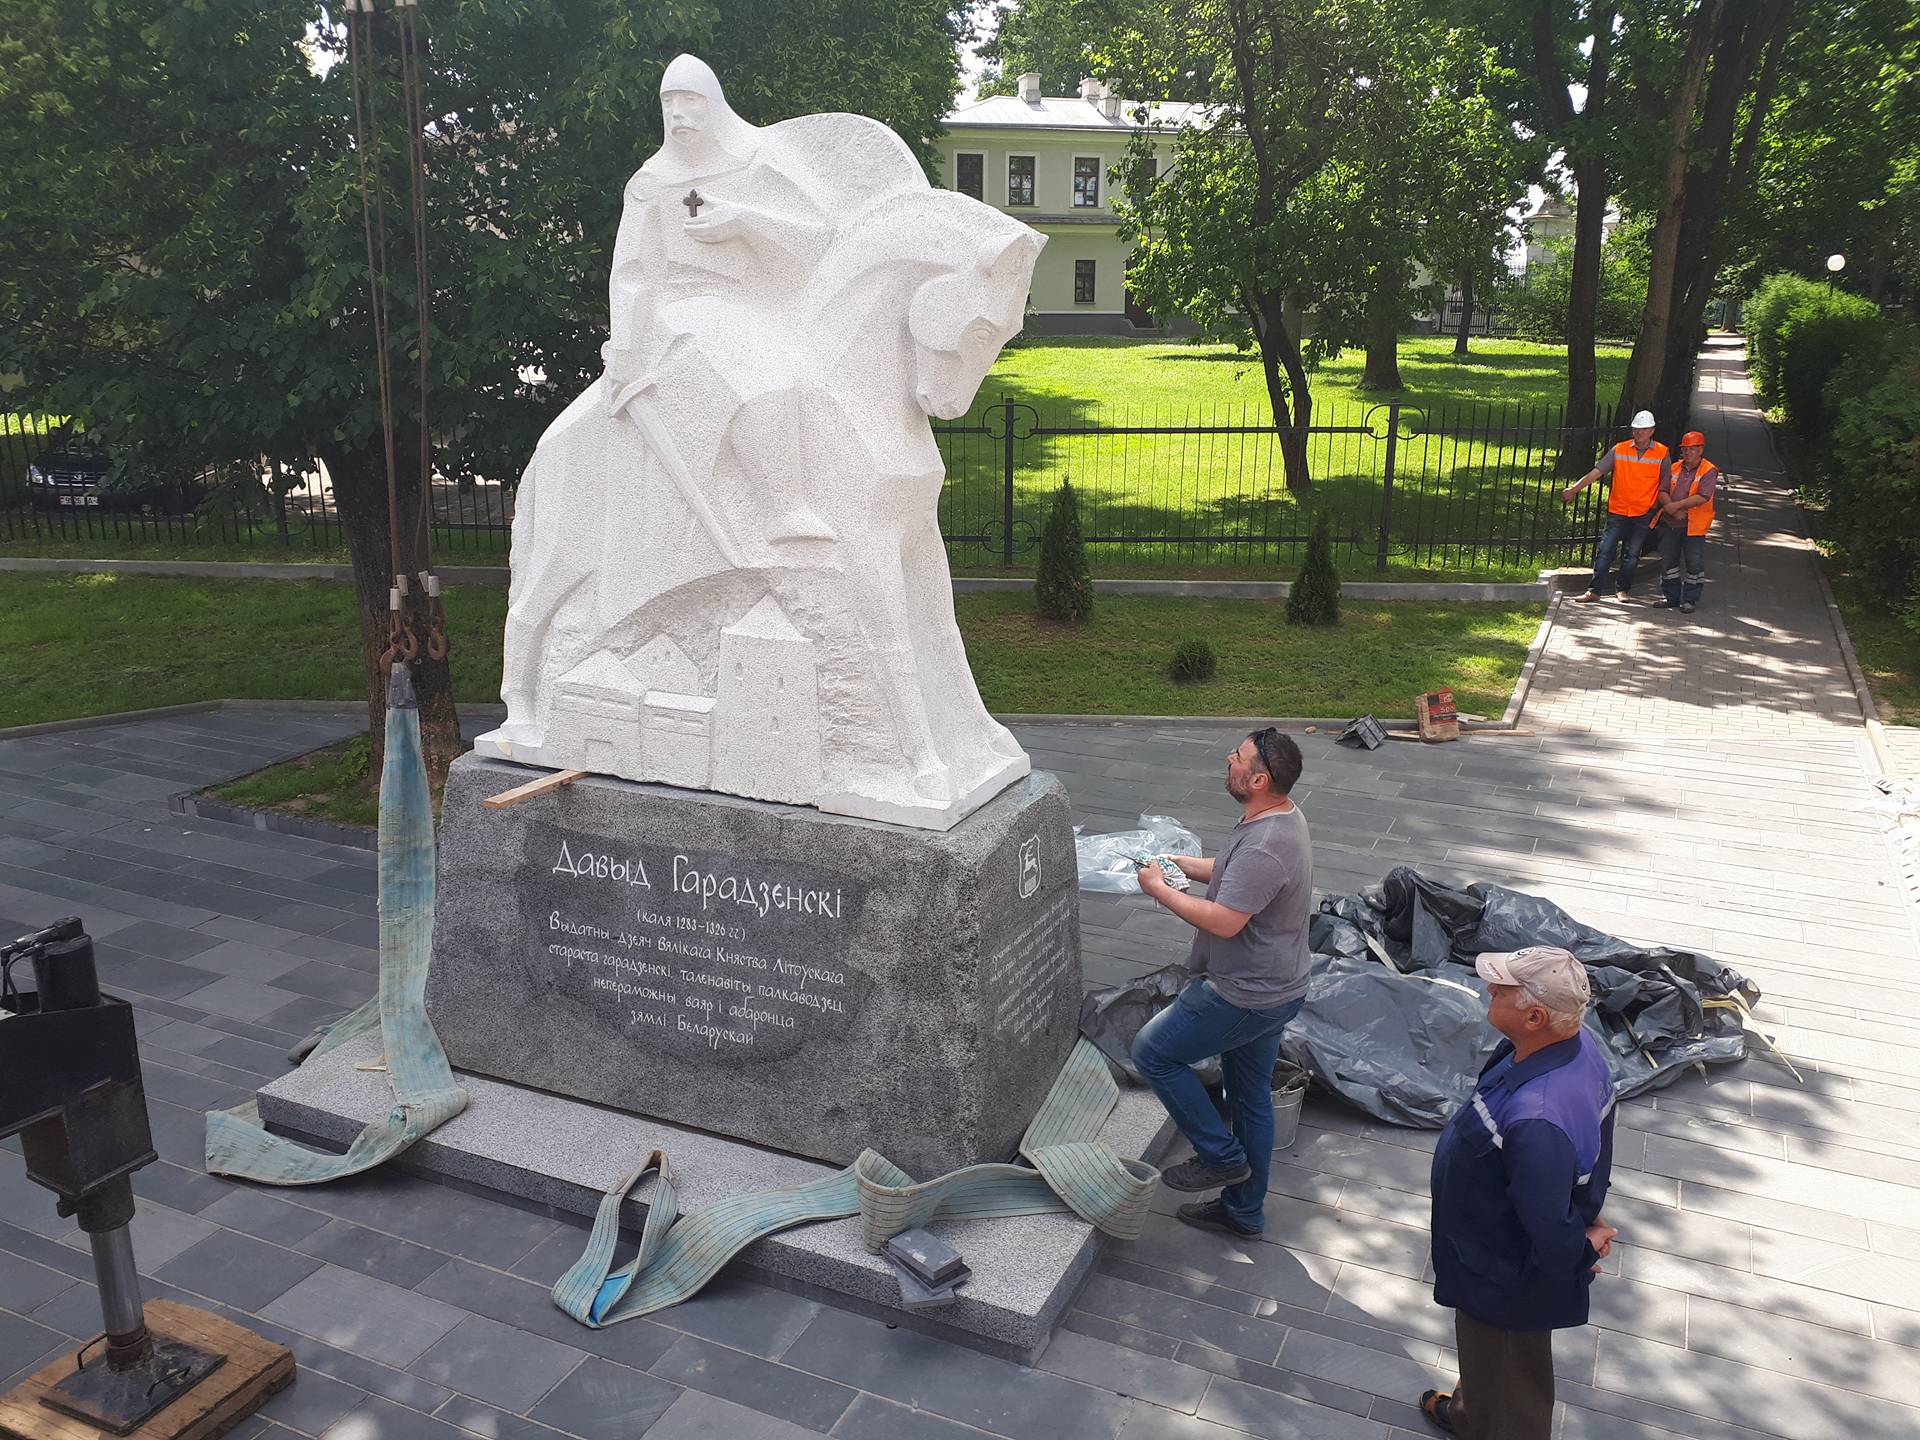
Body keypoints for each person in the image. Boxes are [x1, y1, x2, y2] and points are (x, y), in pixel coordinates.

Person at [1419, 947, 1619, 1440]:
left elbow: (1549, 1224)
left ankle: (1492, 1423)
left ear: (1534, 1016)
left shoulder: (1537, 1116)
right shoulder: (1567, 1046)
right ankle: (1473, 1411)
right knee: (1488, 1355)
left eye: (1500, 988)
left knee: (1508, 1366)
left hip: (1504, 1269)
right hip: (1490, 1247)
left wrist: (1579, 1251)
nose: (1489, 989)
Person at [1130, 728, 1313, 1238]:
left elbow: (1225, 920)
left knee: (1154, 1053)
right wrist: (1180, 865)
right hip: (1279, 986)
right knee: (1250, 1095)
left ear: (1257, 779)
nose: (1227, 759)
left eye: (1237, 757)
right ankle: (1242, 1212)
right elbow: (1234, 874)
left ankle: (1220, 1156)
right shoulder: (1277, 815)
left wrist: (1157, 890)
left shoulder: (1266, 845)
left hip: (1246, 994)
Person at [1561, 410, 1671, 603]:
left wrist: (1657, 506)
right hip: (1618, 510)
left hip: (1643, 512)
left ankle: (1623, 590)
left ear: (1652, 431)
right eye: (1636, 429)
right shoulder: (1619, 450)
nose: (1639, 433)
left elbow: (1666, 483)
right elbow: (1597, 472)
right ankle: (1594, 591)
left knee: (1632, 555)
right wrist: (1575, 489)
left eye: (1644, 430)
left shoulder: (1662, 453)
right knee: (1605, 551)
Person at [1653, 430, 1717, 613]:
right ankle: (1670, 597)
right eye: (1685, 449)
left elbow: (1703, 496)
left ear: (1701, 450)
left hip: (1694, 526)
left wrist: (1676, 507)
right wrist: (1671, 508)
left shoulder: (1709, 470)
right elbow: (1662, 489)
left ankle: (1690, 599)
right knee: (1668, 561)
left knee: (1694, 563)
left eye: (1692, 449)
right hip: (1670, 523)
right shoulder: (1674, 467)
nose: (1687, 452)